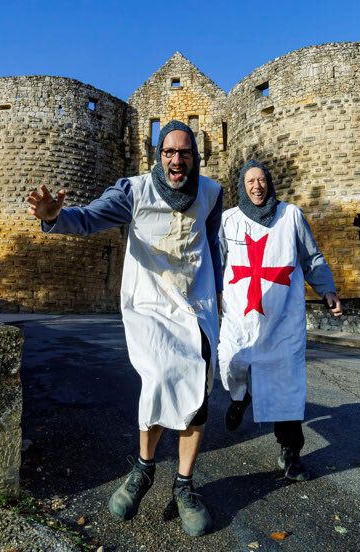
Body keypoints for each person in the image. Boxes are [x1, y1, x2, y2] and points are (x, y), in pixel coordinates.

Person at [26, 120, 223, 537]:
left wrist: (219, 294)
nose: (176, 159)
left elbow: (212, 245)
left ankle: (185, 485)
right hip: (150, 303)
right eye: (169, 152)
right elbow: (88, 219)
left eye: (184, 152)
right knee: (159, 376)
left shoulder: (211, 193)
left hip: (197, 303)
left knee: (200, 384)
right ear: (158, 155)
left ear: (195, 155)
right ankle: (143, 469)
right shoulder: (133, 191)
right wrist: (54, 217)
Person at [218, 160, 343, 481]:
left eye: (261, 180)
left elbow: (311, 257)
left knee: (284, 382)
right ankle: (240, 396)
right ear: (242, 188)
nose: (257, 186)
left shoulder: (291, 216)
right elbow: (215, 264)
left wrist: (326, 289)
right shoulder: (228, 221)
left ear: (269, 184)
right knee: (232, 363)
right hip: (241, 318)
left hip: (283, 318)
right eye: (250, 182)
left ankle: (290, 451)